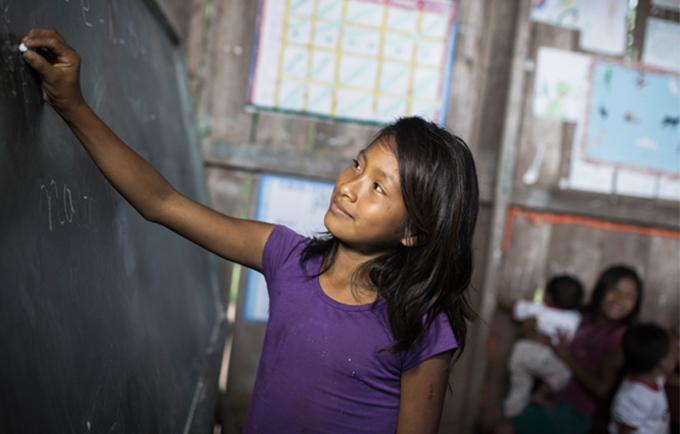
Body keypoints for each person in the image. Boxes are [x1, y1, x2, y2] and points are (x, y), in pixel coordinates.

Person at [19, 29, 480, 434]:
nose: (350, 186)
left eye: (378, 186)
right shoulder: (288, 258)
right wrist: (71, 105)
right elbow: (161, 202)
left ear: (414, 233)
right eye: (357, 164)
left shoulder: (419, 323)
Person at [480, 265, 644, 434]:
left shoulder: (619, 339)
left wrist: (568, 358)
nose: (619, 299)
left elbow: (603, 390)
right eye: (614, 290)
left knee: (503, 430)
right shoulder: (581, 316)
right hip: (547, 396)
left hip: (575, 412)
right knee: (488, 417)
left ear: (635, 303)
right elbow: (553, 339)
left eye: (629, 296)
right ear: (602, 289)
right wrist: (529, 329)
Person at [497, 275, 584, 417]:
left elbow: (512, 306)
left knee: (519, 384)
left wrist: (497, 298)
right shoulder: (576, 317)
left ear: (548, 297)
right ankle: (541, 395)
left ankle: (512, 410)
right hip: (545, 355)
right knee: (564, 373)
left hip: (521, 350)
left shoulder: (537, 309)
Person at [609, 323, 677, 434]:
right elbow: (625, 431)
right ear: (662, 363)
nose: (676, 358)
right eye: (673, 355)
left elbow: (668, 379)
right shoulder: (634, 397)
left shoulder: (653, 376)